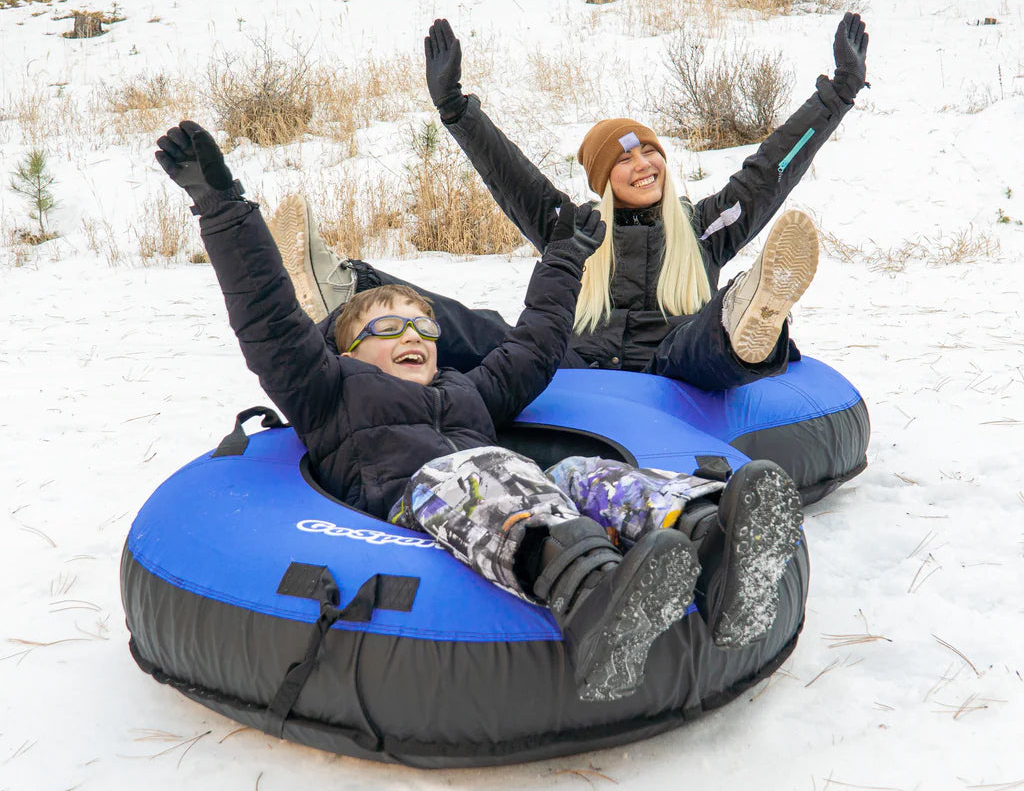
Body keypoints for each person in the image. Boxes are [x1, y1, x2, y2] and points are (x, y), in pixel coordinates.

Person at [155, 120, 805, 703]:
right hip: (418, 507)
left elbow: (536, 343)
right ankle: (593, 599)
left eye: (422, 328)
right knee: (471, 472)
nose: (412, 337)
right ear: (346, 348)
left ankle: (715, 546)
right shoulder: (326, 389)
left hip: (514, 502)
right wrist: (222, 205)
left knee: (580, 474)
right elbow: (267, 317)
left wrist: (566, 258)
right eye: (388, 328)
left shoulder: (466, 392)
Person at [276, 13, 868, 390]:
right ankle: (342, 286)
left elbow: (772, 170)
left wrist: (838, 94)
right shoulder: (575, 229)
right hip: (571, 374)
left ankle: (754, 311)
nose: (643, 165)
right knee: (481, 327)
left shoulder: (705, 228)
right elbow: (510, 177)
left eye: (650, 153)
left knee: (702, 339)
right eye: (625, 160)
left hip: (673, 371)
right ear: (606, 180)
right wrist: (455, 108)